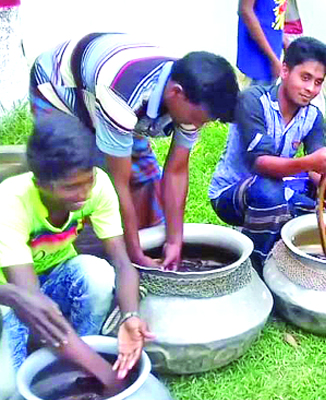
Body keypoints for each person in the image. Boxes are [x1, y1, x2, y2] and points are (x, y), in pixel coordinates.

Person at [29, 32, 240, 270]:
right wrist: (134, 254)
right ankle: (77, 262)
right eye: (196, 119)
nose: (198, 126)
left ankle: (137, 248)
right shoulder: (123, 96)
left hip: (106, 90)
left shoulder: (195, 95)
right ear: (176, 93)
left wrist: (174, 240)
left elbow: (177, 172)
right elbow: (119, 185)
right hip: (58, 89)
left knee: (147, 178)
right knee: (77, 180)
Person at [0, 112, 153, 388]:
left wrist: (130, 316)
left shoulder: (98, 186)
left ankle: (77, 356)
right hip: (12, 299)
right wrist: (109, 378)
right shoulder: (11, 202)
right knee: (7, 388)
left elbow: (122, 264)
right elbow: (33, 305)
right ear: (41, 184)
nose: (84, 194)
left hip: (57, 278)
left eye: (88, 180)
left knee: (98, 274)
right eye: (71, 187)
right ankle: (79, 358)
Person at [209, 37, 326, 272]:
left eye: (318, 82)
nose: (310, 89)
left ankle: (270, 250)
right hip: (230, 195)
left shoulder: (313, 116)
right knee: (268, 190)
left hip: (277, 192)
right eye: (305, 78)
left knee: (318, 214)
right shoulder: (253, 101)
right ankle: (252, 270)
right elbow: (261, 165)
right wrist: (308, 162)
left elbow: (317, 169)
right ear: (285, 71)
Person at [238, 0, 287, 86]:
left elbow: (271, 13)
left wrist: (284, 41)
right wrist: (273, 59)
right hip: (255, 61)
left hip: (273, 58)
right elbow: (245, 11)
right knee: (252, 96)